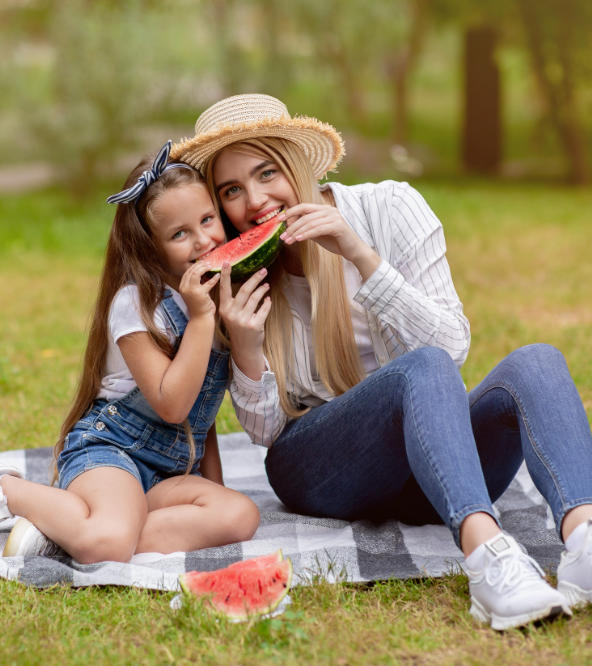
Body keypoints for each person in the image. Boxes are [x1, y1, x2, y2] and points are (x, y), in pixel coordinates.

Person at [169, 94, 592, 630]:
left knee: (535, 361)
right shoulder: (237, 275)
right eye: (231, 190)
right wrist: (247, 346)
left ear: (297, 164)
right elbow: (266, 431)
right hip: (321, 469)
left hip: (436, 468)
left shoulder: (390, 207)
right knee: (422, 369)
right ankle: (489, 561)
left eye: (267, 172)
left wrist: (361, 257)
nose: (254, 201)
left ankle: (584, 543)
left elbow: (452, 345)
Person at [0, 140, 259, 564]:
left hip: (168, 473)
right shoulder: (136, 305)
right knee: (109, 544)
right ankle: (12, 491)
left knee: (238, 515)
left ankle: (68, 528)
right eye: (179, 234)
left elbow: (202, 414)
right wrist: (199, 319)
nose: (203, 241)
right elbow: (174, 405)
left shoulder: (214, 299)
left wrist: (215, 487)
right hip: (110, 452)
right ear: (150, 247)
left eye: (208, 220)